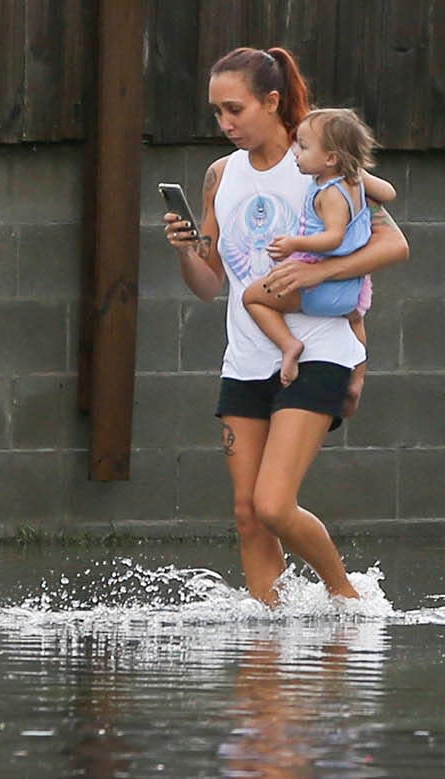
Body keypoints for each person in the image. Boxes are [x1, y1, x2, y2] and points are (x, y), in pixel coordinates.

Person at [164, 46, 409, 606]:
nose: (224, 125)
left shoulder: (320, 162)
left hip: (318, 350)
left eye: (235, 110)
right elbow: (208, 285)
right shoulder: (219, 175)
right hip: (246, 358)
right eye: (216, 113)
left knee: (275, 504)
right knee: (249, 516)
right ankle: (268, 646)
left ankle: (348, 600)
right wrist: (186, 252)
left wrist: (316, 269)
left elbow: (395, 243)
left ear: (272, 102)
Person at [242, 107, 396, 387]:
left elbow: (333, 238)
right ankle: (357, 377)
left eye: (303, 147)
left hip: (318, 285)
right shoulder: (354, 181)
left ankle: (289, 346)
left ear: (330, 158)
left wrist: (293, 244)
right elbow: (389, 193)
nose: (295, 153)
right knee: (355, 320)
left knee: (252, 298)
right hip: (354, 287)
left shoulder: (330, 193)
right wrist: (361, 175)